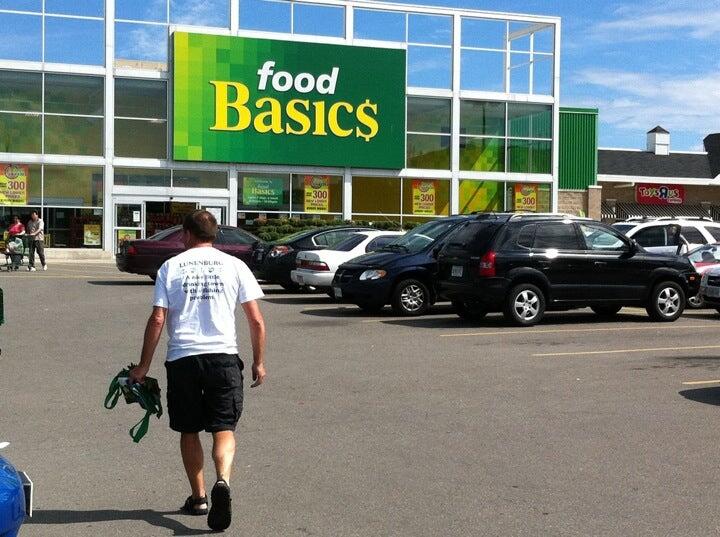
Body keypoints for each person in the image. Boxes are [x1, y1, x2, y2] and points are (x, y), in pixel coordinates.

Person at [128, 210, 267, 532]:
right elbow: (256, 320)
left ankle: (199, 496)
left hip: (183, 359)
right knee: (223, 426)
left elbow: (158, 319)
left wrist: (143, 366)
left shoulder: (171, 267)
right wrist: (259, 361)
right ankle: (223, 481)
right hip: (223, 358)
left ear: (186, 234)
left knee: (189, 429)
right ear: (214, 234)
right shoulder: (235, 265)